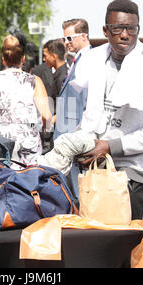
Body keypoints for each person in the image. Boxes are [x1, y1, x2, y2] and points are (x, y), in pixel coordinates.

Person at [77, 0, 143, 220]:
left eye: (131, 29)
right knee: (98, 240)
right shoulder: (95, 62)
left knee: (126, 244)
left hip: (132, 172)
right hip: (97, 167)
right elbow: (86, 112)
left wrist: (112, 146)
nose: (125, 35)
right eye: (118, 28)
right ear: (106, 30)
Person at [0, 34, 52, 165]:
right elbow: (46, 116)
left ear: (3, 59)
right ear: (23, 59)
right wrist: (43, 132)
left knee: (2, 182)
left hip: (1, 144)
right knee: (29, 182)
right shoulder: (34, 81)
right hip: (28, 145)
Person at [55, 18, 92, 200]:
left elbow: (86, 98)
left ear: (83, 36)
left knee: (80, 188)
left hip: (75, 130)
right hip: (68, 129)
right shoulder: (78, 59)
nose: (66, 43)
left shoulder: (89, 59)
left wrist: (80, 130)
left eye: (69, 38)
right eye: (64, 39)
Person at [32, 43, 56, 154]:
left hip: (52, 123)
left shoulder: (65, 71)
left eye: (46, 55)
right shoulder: (40, 71)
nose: (44, 58)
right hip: (45, 124)